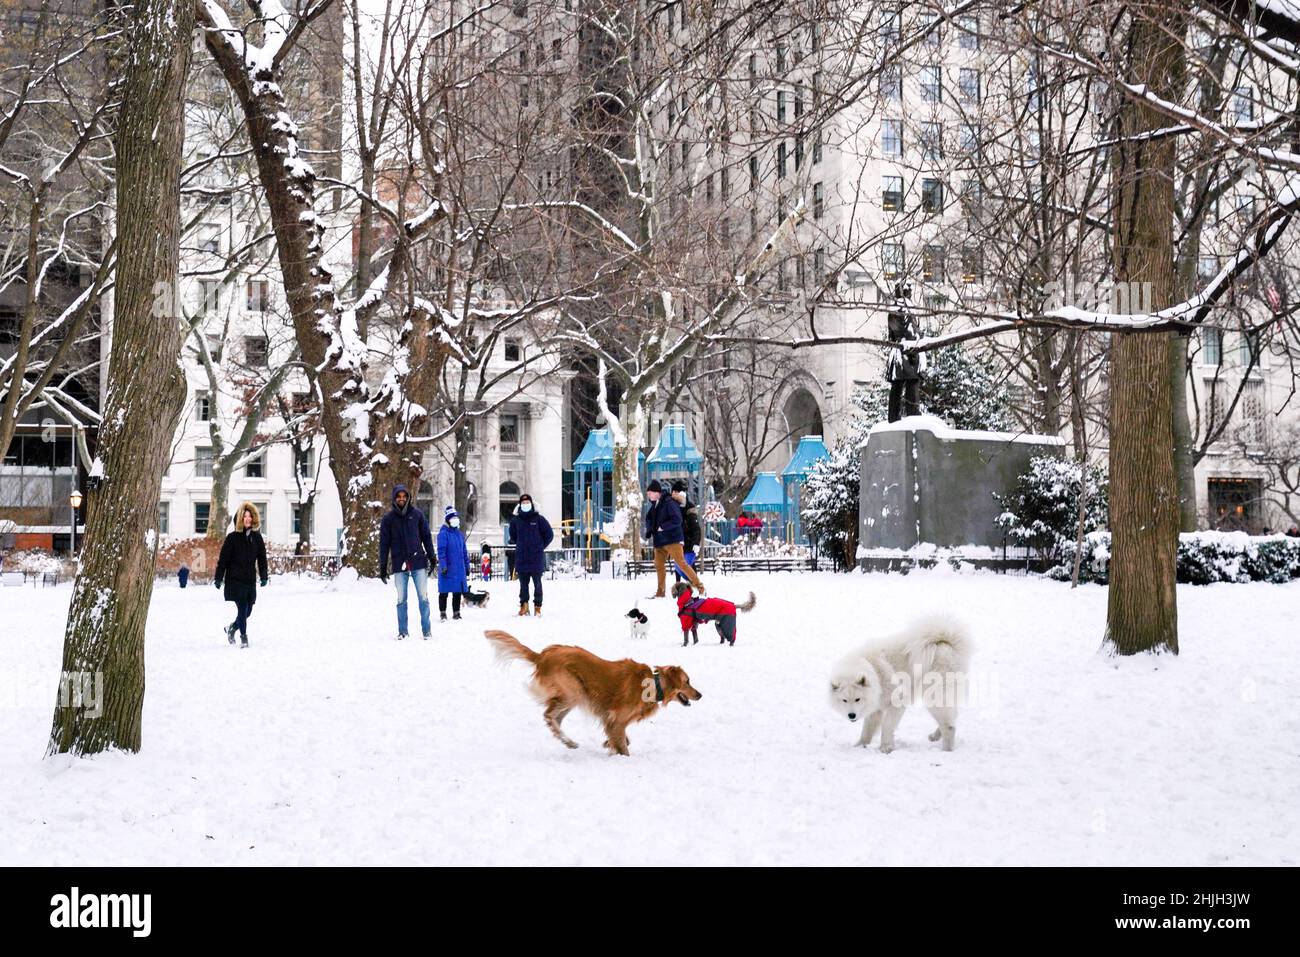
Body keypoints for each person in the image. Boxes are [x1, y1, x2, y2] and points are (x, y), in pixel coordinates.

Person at [379, 483, 436, 639]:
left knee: (423, 598)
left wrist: (432, 556)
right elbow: (384, 544)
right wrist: (383, 566)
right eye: (399, 497)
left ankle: (427, 631)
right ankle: (403, 632)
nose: (402, 499)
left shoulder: (417, 515)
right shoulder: (388, 519)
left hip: (418, 561)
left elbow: (426, 537)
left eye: (404, 496)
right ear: (395, 498)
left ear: (408, 498)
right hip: (399, 563)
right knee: (401, 599)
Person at [214, 501, 268, 649]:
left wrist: (264, 576)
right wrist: (218, 578)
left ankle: (232, 627)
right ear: (240, 518)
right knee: (242, 608)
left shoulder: (257, 538)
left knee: (248, 611)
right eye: (245, 516)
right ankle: (244, 638)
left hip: (250, 580)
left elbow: (262, 558)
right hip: (235, 579)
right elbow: (223, 560)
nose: (248, 519)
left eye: (250, 516)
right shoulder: (232, 538)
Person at [643, 479, 704, 597]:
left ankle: (700, 587)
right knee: (659, 566)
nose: (648, 495)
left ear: (656, 492)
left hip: (673, 540)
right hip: (659, 541)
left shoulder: (668, 502)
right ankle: (660, 592)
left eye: (649, 492)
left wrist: (663, 527)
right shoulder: (654, 506)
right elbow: (649, 518)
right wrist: (650, 530)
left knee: (682, 564)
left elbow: (677, 519)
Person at [507, 492, 553, 616]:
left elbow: (549, 534)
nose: (525, 504)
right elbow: (513, 536)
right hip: (522, 557)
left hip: (536, 557)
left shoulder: (539, 519)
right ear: (520, 505)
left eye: (527, 503)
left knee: (537, 584)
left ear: (532, 504)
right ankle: (524, 606)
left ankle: (537, 607)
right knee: (523, 585)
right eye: (523, 503)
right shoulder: (515, 521)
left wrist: (540, 546)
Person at [886, 284, 924, 423]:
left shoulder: (895, 308)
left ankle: (895, 416)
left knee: (898, 385)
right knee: (911, 382)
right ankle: (911, 413)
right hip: (906, 351)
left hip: (900, 351)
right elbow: (910, 330)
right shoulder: (905, 307)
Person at [436, 505, 471, 622]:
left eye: (456, 517)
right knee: (444, 592)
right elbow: (441, 552)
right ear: (448, 520)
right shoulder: (443, 534)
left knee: (457, 592)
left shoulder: (459, 534)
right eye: (453, 518)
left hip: (459, 568)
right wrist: (443, 566)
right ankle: (443, 613)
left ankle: (456, 613)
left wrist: (467, 566)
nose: (455, 519)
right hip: (448, 567)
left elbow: (464, 552)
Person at [671, 479, 702, 583]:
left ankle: (695, 584)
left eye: (676, 492)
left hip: (688, 542)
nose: (673, 495)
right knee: (679, 565)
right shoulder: (671, 506)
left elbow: (695, 527)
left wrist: (696, 543)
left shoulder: (689, 507)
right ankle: (679, 584)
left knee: (687, 565)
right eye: (673, 492)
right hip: (677, 543)